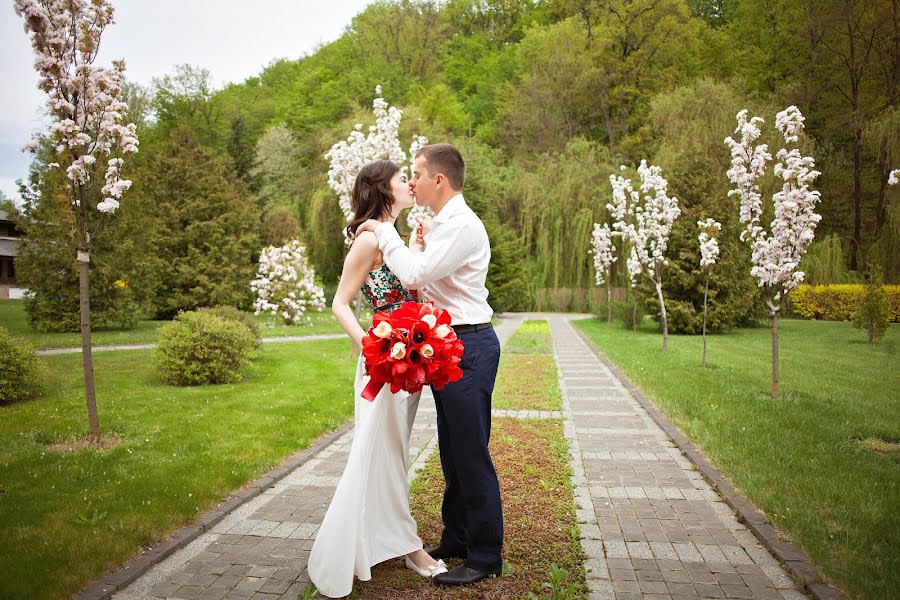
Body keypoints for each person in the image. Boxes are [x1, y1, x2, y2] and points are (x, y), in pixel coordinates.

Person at [355, 143, 504, 586]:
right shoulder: (444, 223)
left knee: (471, 451)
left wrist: (386, 234)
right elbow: (426, 274)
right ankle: (457, 536)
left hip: (469, 346)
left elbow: (415, 275)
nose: (413, 181)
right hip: (448, 345)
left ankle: (484, 554)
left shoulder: (461, 224)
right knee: (452, 450)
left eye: (417, 173)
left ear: (439, 179)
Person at [307, 160, 447, 599]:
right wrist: (371, 345)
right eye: (402, 178)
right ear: (382, 189)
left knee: (392, 453)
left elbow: (413, 291)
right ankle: (408, 545)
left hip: (409, 362)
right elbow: (341, 303)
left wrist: (420, 253)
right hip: (382, 364)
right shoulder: (369, 237)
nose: (410, 183)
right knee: (381, 452)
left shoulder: (395, 237)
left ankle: (379, 537)